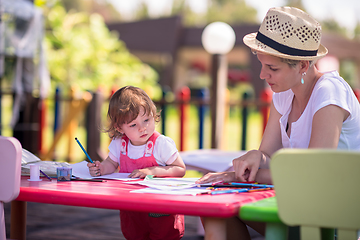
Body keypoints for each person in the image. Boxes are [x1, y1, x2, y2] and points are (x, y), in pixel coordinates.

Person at [196, 6, 360, 239]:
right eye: (262, 65)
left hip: (336, 220)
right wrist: (256, 156)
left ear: (303, 65)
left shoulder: (329, 92)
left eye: (272, 68)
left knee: (221, 204)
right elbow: (268, 157)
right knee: (214, 208)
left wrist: (239, 176)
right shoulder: (284, 92)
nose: (263, 75)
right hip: (301, 206)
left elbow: (314, 174)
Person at [87, 86, 186, 240]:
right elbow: (111, 164)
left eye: (147, 120)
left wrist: (153, 171)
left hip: (160, 208)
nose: (143, 128)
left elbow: (180, 169)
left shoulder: (161, 144)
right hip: (131, 207)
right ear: (119, 127)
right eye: (133, 125)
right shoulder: (119, 143)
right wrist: (100, 169)